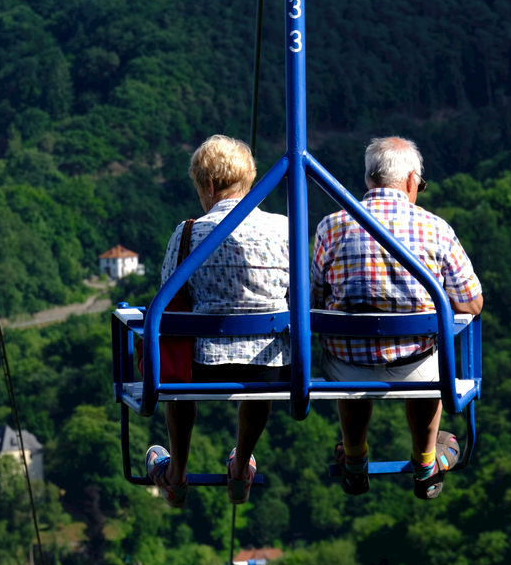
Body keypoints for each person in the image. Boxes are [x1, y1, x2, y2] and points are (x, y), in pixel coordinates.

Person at [310, 137, 484, 499]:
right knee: (432, 359)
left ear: (369, 181)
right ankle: (425, 461)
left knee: (349, 355)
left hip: (345, 365)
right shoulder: (436, 228)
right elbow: (472, 303)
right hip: (416, 365)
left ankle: (355, 458)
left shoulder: (331, 226)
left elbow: (315, 299)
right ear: (410, 181)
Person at [145, 135, 290, 508]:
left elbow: (168, 296)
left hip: (202, 367)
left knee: (174, 357)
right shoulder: (282, 229)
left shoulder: (188, 233)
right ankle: (241, 465)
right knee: (260, 365)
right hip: (270, 364)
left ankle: (176, 471)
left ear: (208, 186)